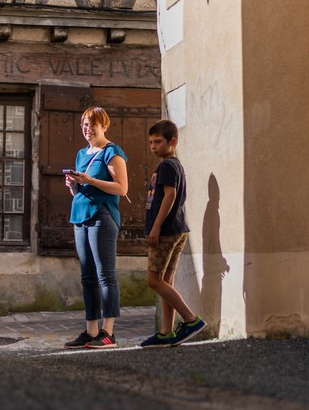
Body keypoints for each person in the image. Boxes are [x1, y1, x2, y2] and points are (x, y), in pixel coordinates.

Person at [63, 106, 129, 349]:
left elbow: (122, 188)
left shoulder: (112, 152)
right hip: (80, 216)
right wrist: (73, 185)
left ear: (104, 126)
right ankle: (91, 331)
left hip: (102, 216)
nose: (87, 129)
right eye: (84, 125)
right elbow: (81, 191)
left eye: (92, 125)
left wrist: (89, 179)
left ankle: (108, 333)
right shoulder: (82, 154)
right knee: (87, 277)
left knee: (105, 275)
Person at [140, 120, 207, 348]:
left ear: (173, 142)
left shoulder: (167, 166)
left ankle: (190, 320)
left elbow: (170, 195)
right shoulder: (173, 165)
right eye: (151, 142)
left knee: (153, 280)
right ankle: (166, 332)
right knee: (166, 280)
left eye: (158, 142)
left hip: (167, 231)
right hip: (177, 229)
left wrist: (156, 226)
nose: (153, 146)